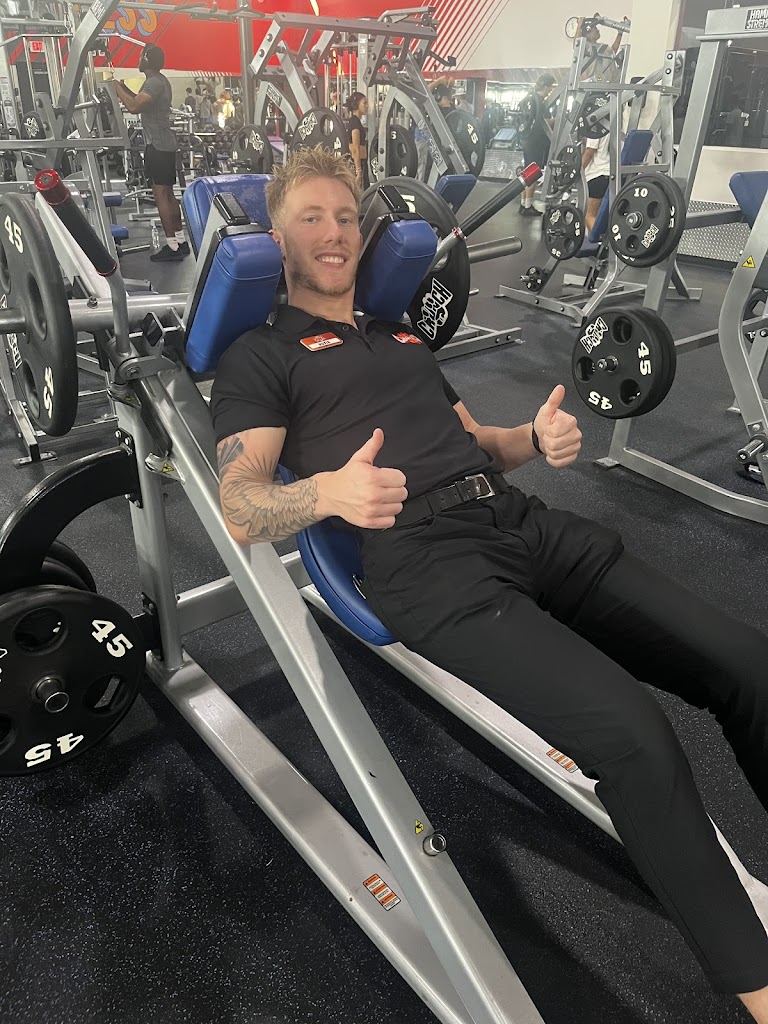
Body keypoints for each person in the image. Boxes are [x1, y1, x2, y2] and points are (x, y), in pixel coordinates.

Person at [210, 146, 768, 1023]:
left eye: (346, 216)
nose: (334, 232)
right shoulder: (261, 355)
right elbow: (240, 505)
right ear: (279, 240)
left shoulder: (400, 335)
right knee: (633, 736)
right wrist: (325, 495)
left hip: (520, 523)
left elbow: (478, 443)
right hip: (425, 563)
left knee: (747, 662)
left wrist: (533, 440)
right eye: (311, 218)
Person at [112, 44, 188, 262]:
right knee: (169, 195)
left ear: (147, 60)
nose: (138, 60)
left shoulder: (154, 82)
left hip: (158, 145)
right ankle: (180, 241)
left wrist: (114, 87)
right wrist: (124, 89)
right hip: (164, 144)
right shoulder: (159, 80)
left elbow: (134, 107)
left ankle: (172, 246)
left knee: (161, 195)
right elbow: (140, 101)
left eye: (140, 57)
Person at [518, 73, 556, 216]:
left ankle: (523, 204)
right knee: (533, 173)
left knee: (526, 172)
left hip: (527, 140)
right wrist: (558, 119)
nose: (551, 90)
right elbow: (546, 123)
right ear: (545, 86)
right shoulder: (540, 102)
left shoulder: (529, 98)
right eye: (550, 87)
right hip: (536, 142)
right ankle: (528, 206)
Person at [577, 13, 627, 82]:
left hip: (606, 83)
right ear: (588, 34)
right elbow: (577, 44)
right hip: (592, 84)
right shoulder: (586, 47)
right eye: (595, 29)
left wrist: (620, 33)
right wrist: (579, 25)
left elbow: (612, 51)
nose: (598, 30)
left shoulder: (601, 47)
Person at [581, 131, 610, 234]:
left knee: (589, 216)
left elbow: (589, 152)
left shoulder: (595, 129)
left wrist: (577, 172)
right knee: (605, 216)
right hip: (611, 175)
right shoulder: (615, 127)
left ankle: (600, 241)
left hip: (597, 176)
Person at [345, 91, 369, 190]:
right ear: (356, 105)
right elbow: (355, 148)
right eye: (364, 103)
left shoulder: (355, 121)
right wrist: (358, 171)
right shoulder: (354, 122)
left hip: (361, 163)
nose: (367, 106)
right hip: (358, 164)